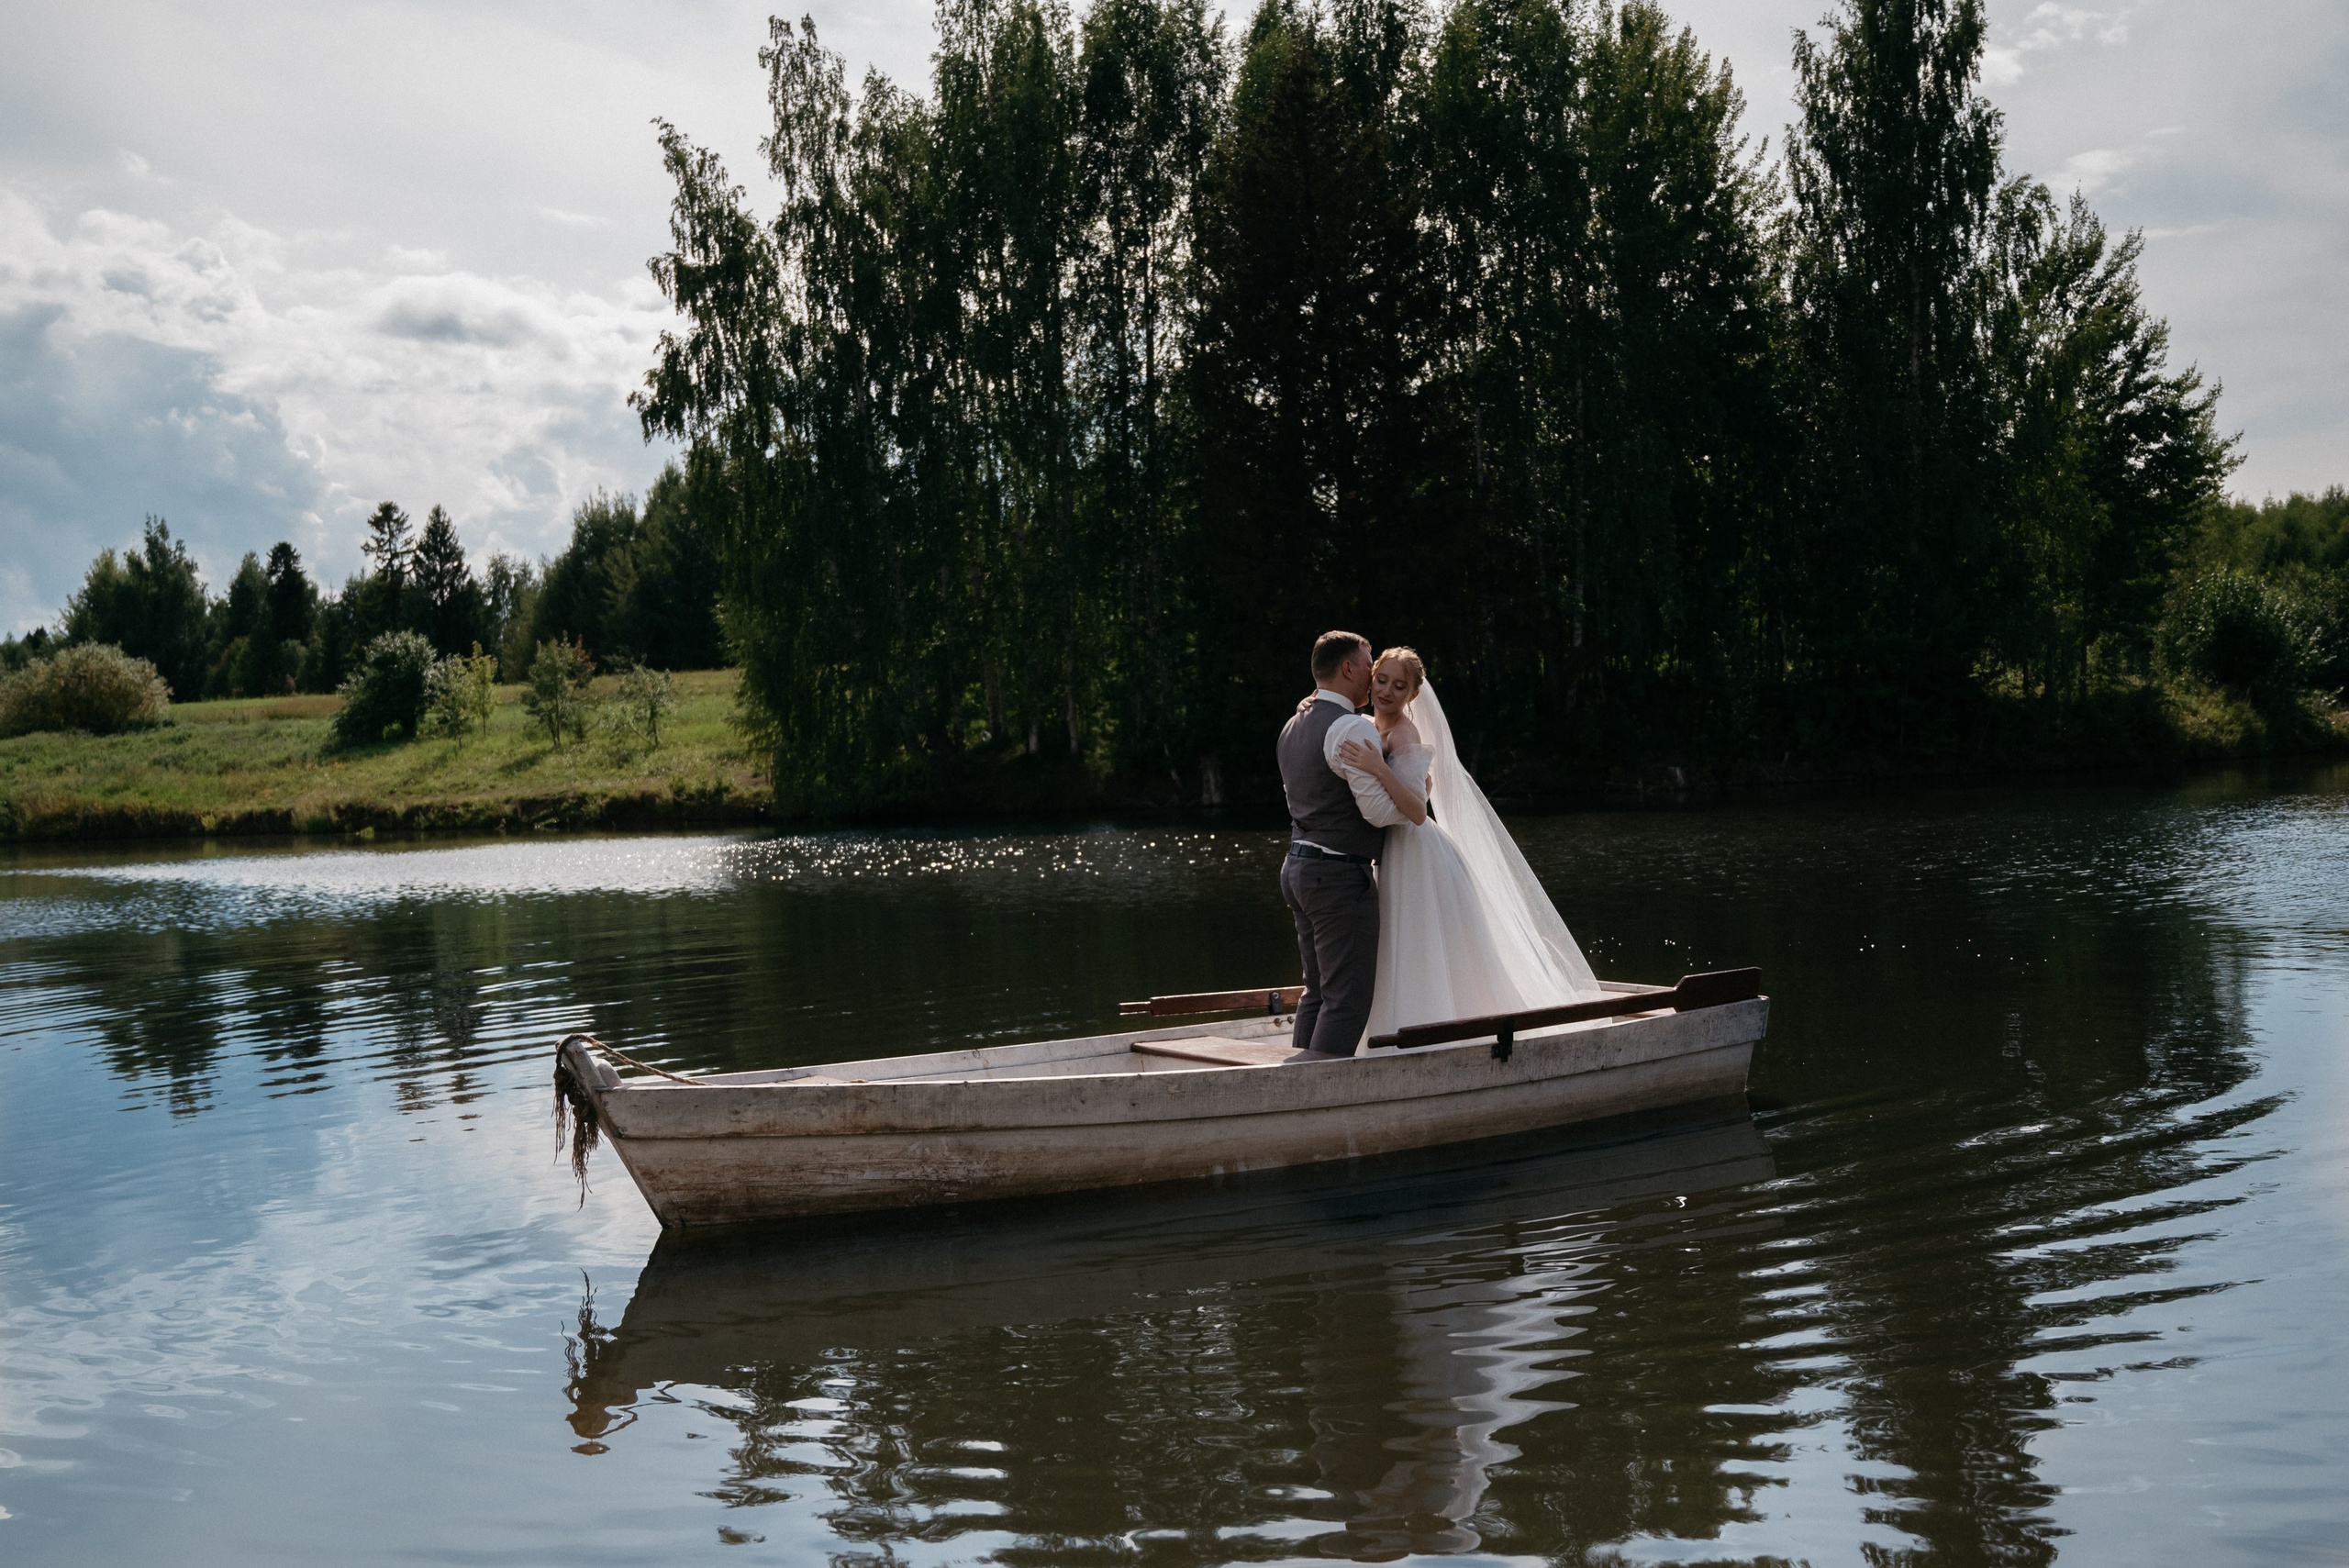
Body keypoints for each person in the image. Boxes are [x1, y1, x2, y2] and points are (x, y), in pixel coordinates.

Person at [1337, 646, 1599, 1041]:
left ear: (1413, 695)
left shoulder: (1405, 732)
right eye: (1382, 680)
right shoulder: (1366, 727)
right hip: (1390, 850)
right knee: (1395, 942)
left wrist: (1377, 767)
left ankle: (1429, 1031)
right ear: (1371, 679)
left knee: (1418, 939)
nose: (1387, 691)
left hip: (1416, 850)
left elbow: (1416, 809)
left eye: (1399, 685)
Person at [1276, 631, 1414, 1057]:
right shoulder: (1350, 727)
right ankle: (1315, 1097)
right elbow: (1378, 814)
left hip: (1298, 867)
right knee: (1346, 1000)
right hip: (1337, 876)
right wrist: (1416, 797)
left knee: (1315, 992)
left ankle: (1297, 1084)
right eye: (1369, 664)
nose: (1374, 674)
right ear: (1349, 669)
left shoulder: (1293, 723)